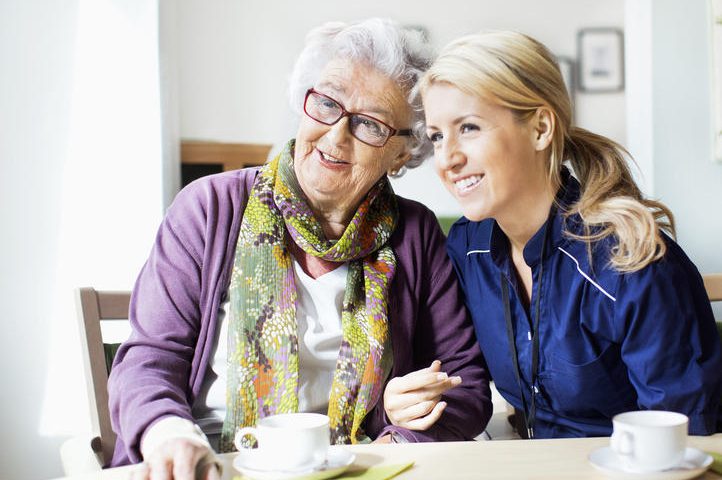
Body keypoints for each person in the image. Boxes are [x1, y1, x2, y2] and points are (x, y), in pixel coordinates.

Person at [108, 18, 492, 478]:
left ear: (402, 153)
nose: (335, 135)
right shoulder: (209, 207)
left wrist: (399, 438)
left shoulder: (415, 232)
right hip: (212, 462)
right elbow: (149, 360)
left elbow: (465, 385)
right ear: (303, 101)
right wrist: (169, 434)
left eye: (369, 124)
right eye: (326, 103)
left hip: (356, 467)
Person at [417, 30, 722, 439]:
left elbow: (682, 442)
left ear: (541, 128)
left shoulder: (631, 264)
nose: (447, 158)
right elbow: (455, 371)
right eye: (437, 135)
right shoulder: (466, 248)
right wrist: (408, 398)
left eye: (469, 128)